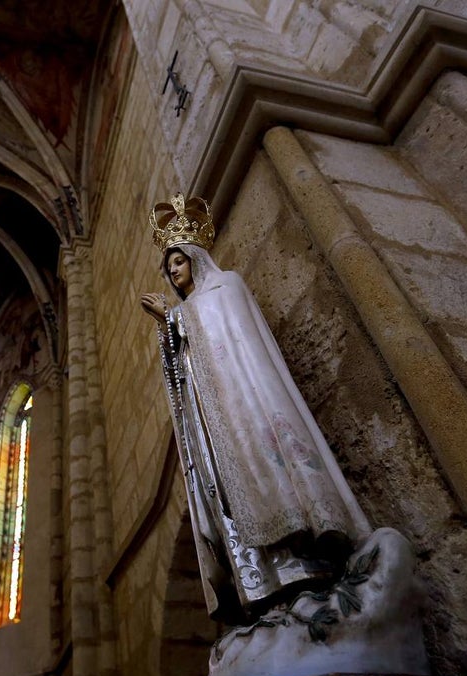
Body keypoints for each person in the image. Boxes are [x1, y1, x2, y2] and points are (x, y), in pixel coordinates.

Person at [140, 193, 370, 623]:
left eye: (178, 261)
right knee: (225, 492)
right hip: (211, 420)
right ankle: (263, 589)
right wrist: (170, 324)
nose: (172, 271)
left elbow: (228, 342)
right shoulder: (187, 310)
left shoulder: (226, 287)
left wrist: (172, 317)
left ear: (195, 258)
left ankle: (304, 571)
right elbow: (185, 369)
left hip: (242, 409)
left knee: (265, 476)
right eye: (168, 267)